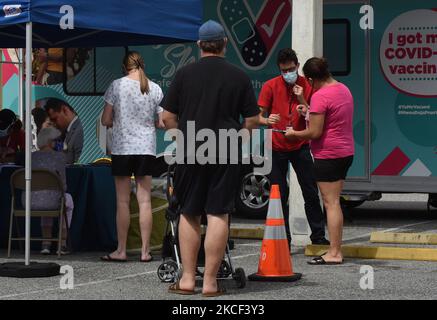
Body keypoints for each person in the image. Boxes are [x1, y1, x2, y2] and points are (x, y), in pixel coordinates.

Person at [162, 20, 259, 297]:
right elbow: (251, 119)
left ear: (199, 45)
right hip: (225, 149)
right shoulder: (239, 76)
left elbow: (167, 117)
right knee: (218, 213)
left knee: (189, 212)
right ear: (225, 44)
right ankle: (211, 283)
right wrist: (238, 140)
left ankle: (188, 280)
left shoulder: (184, 75)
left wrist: (180, 139)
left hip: (191, 148)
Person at [285, 57, 355, 265]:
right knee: (335, 201)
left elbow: (315, 132)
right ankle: (335, 249)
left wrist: (294, 134)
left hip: (328, 155)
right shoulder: (343, 89)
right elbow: (330, 117)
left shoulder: (320, 95)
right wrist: (307, 109)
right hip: (345, 152)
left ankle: (334, 252)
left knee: (331, 203)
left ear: (310, 78)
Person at [258, 48, 328, 247]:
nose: (287, 73)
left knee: (310, 191)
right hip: (276, 146)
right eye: (283, 70)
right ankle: (283, 240)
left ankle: (318, 237)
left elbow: (314, 114)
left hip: (301, 145)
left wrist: (302, 100)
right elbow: (257, 116)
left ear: (297, 66)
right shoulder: (270, 86)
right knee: (279, 194)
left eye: (290, 69)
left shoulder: (308, 85)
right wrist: (266, 120)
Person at [100, 51, 164, 263]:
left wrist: (118, 120)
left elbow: (106, 119)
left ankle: (121, 250)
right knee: (144, 200)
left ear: (124, 66)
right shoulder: (155, 88)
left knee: (123, 201)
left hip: (123, 148)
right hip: (146, 148)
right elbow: (161, 122)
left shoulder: (116, 85)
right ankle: (146, 252)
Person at [22, 127, 74, 255]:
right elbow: (63, 185)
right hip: (52, 200)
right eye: (56, 140)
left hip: (29, 200)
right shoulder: (60, 157)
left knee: (45, 199)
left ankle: (45, 244)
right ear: (50, 141)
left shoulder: (31, 157)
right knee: (66, 200)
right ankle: (62, 243)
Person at [44, 98, 84, 164]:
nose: (54, 124)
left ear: (65, 110)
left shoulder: (79, 131)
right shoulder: (69, 131)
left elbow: (80, 164)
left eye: (55, 119)